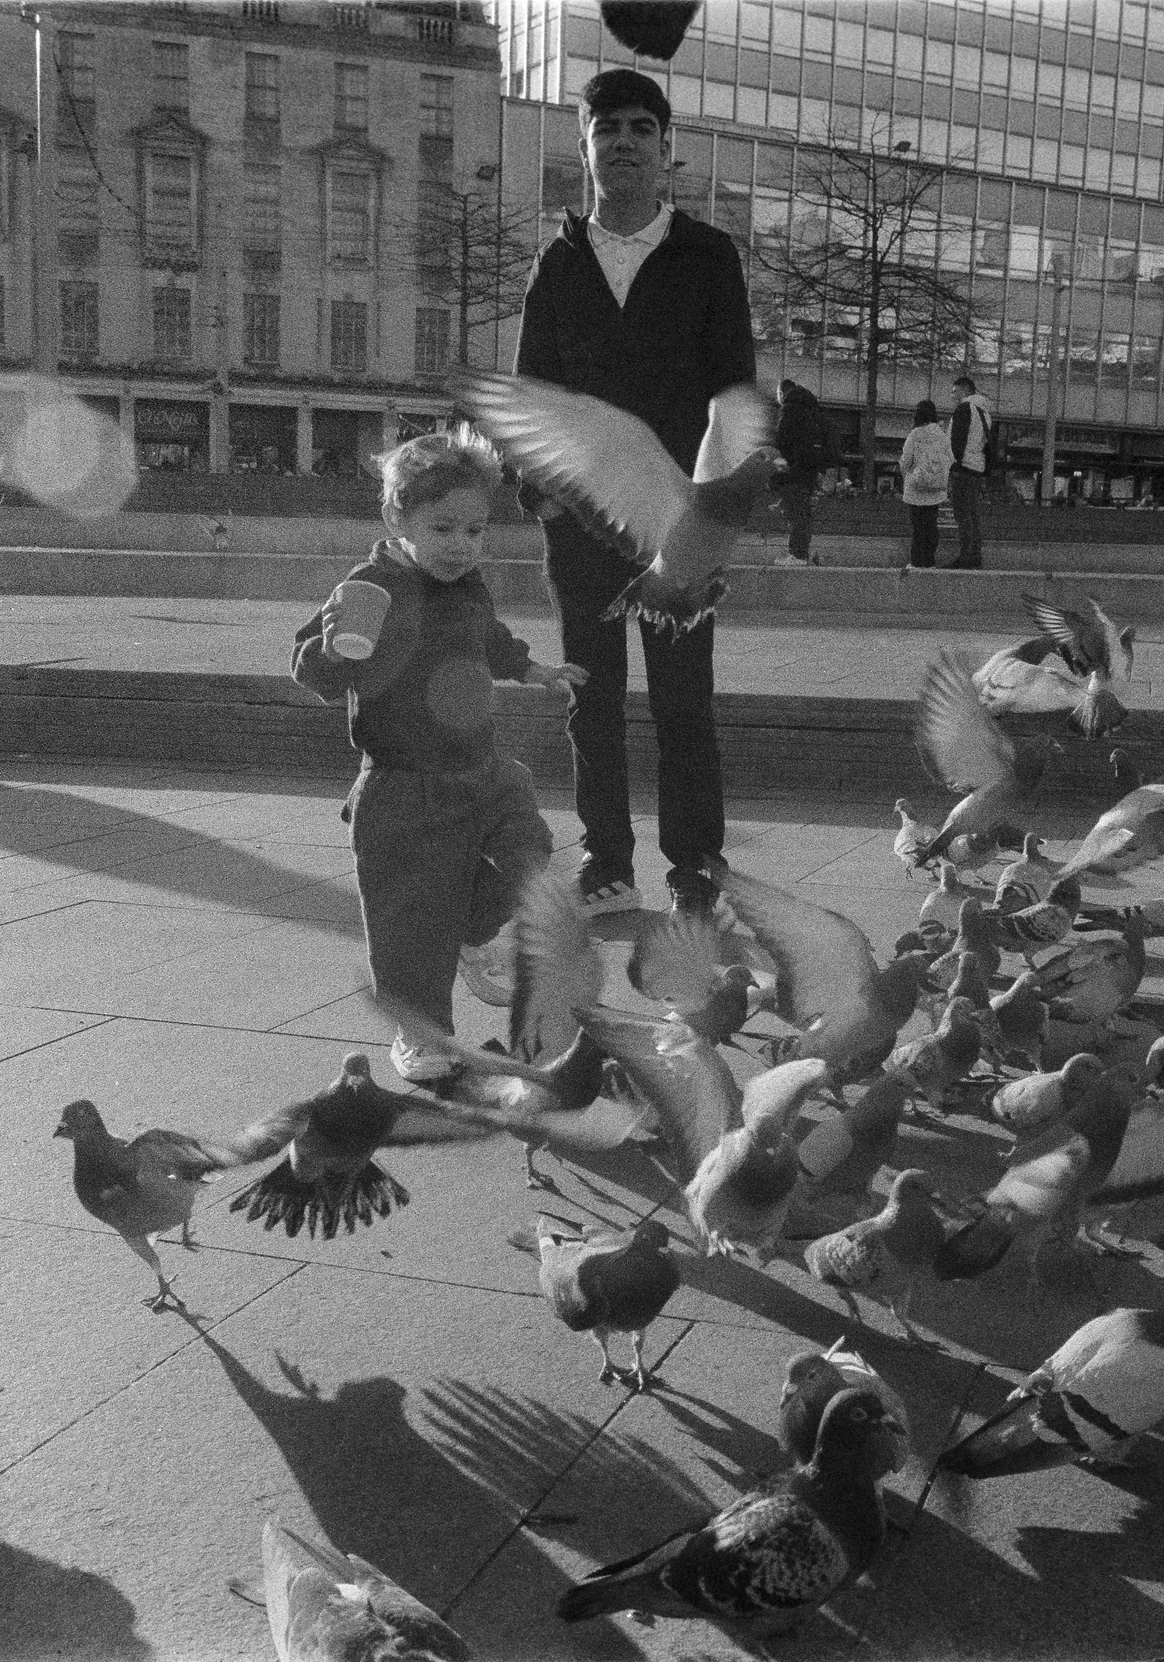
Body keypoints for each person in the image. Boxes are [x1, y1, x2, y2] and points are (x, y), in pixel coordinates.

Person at [513, 66, 755, 919]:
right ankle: (605, 863)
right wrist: (539, 495)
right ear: (584, 149)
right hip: (579, 529)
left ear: (665, 150)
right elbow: (530, 396)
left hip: (676, 527)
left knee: (685, 703)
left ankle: (696, 868)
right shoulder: (560, 261)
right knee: (595, 703)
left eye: (639, 128)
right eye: (605, 128)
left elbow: (734, 395)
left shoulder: (706, 256)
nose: (622, 141)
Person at [291, 434, 586, 1083]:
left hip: (480, 770)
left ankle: (475, 935)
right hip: (399, 784)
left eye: (475, 529)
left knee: (528, 850)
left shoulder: (468, 585)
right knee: (406, 916)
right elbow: (310, 667)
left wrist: (531, 666)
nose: (461, 544)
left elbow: (487, 635)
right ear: (398, 521)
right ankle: (421, 1032)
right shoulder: (370, 588)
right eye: (443, 527)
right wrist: (338, 652)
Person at [770, 378, 833, 568]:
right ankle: (801, 553)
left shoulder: (790, 408)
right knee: (802, 513)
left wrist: (776, 468)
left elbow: (782, 439)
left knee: (796, 514)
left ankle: (797, 555)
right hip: (809, 469)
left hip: (794, 469)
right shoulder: (813, 410)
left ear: (782, 392)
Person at [946, 373, 994, 569]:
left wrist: (953, 465)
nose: (952, 396)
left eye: (955, 391)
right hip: (976, 467)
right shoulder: (985, 413)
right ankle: (975, 555)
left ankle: (966, 557)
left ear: (965, 390)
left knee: (962, 514)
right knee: (973, 514)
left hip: (963, 467)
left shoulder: (965, 408)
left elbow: (957, 439)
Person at [900, 399, 954, 569]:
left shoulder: (915, 434)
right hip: (935, 489)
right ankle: (929, 561)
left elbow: (906, 460)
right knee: (931, 525)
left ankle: (917, 562)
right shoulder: (942, 435)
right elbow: (950, 458)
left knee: (918, 528)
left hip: (915, 488)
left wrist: (904, 471)